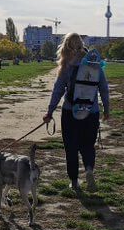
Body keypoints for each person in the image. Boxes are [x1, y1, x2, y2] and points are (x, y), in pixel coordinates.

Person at [43, 32, 110, 192]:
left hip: (70, 112)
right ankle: (88, 170)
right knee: (88, 146)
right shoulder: (95, 64)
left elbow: (57, 90)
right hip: (91, 113)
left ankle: (74, 181)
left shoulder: (66, 66)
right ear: (81, 44)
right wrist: (106, 109)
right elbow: (104, 89)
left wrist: (50, 111)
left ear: (65, 47)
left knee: (71, 148)